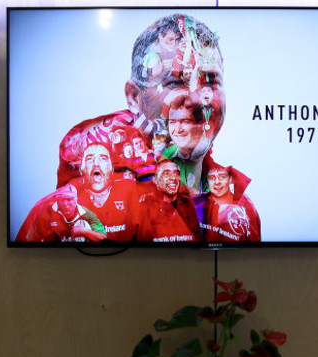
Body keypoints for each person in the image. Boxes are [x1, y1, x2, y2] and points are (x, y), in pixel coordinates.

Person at [54, 13, 233, 211]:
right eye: (175, 82)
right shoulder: (80, 204)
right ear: (134, 98)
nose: (197, 99)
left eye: (210, 81)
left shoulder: (239, 210)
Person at [68, 142, 138, 242]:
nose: (96, 163)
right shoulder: (72, 200)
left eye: (103, 158)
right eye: (89, 159)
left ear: (111, 169)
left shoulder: (129, 193)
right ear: (81, 169)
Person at [131, 159, 201, 243]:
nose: (173, 177)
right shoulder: (146, 207)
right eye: (167, 173)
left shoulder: (187, 204)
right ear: (155, 180)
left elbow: (197, 239)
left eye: (176, 173)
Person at [16, 184, 107, 242]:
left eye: (69, 200)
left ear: (76, 200)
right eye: (62, 200)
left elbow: (103, 238)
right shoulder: (44, 213)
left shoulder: (88, 214)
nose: (65, 204)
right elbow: (31, 241)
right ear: (57, 200)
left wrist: (85, 232)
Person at [195, 165, 261, 242]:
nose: (217, 182)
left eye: (222, 177)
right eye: (212, 178)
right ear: (206, 182)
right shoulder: (197, 203)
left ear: (230, 179)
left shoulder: (245, 206)